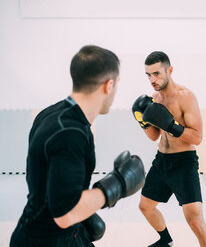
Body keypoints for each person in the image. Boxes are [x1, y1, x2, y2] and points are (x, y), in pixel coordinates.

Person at [10, 45, 146, 247]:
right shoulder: (71, 135)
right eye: (117, 84)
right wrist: (117, 183)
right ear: (108, 86)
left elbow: (47, 184)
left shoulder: (51, 114)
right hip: (48, 241)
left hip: (45, 231)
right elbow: (65, 214)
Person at [132, 51, 206, 247]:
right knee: (145, 207)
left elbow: (197, 137)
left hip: (183, 163)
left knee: (195, 221)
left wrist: (173, 127)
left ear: (169, 70)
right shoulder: (155, 98)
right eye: (148, 75)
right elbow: (154, 136)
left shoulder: (185, 97)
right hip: (161, 161)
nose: (152, 79)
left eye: (156, 74)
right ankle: (165, 240)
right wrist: (142, 121)